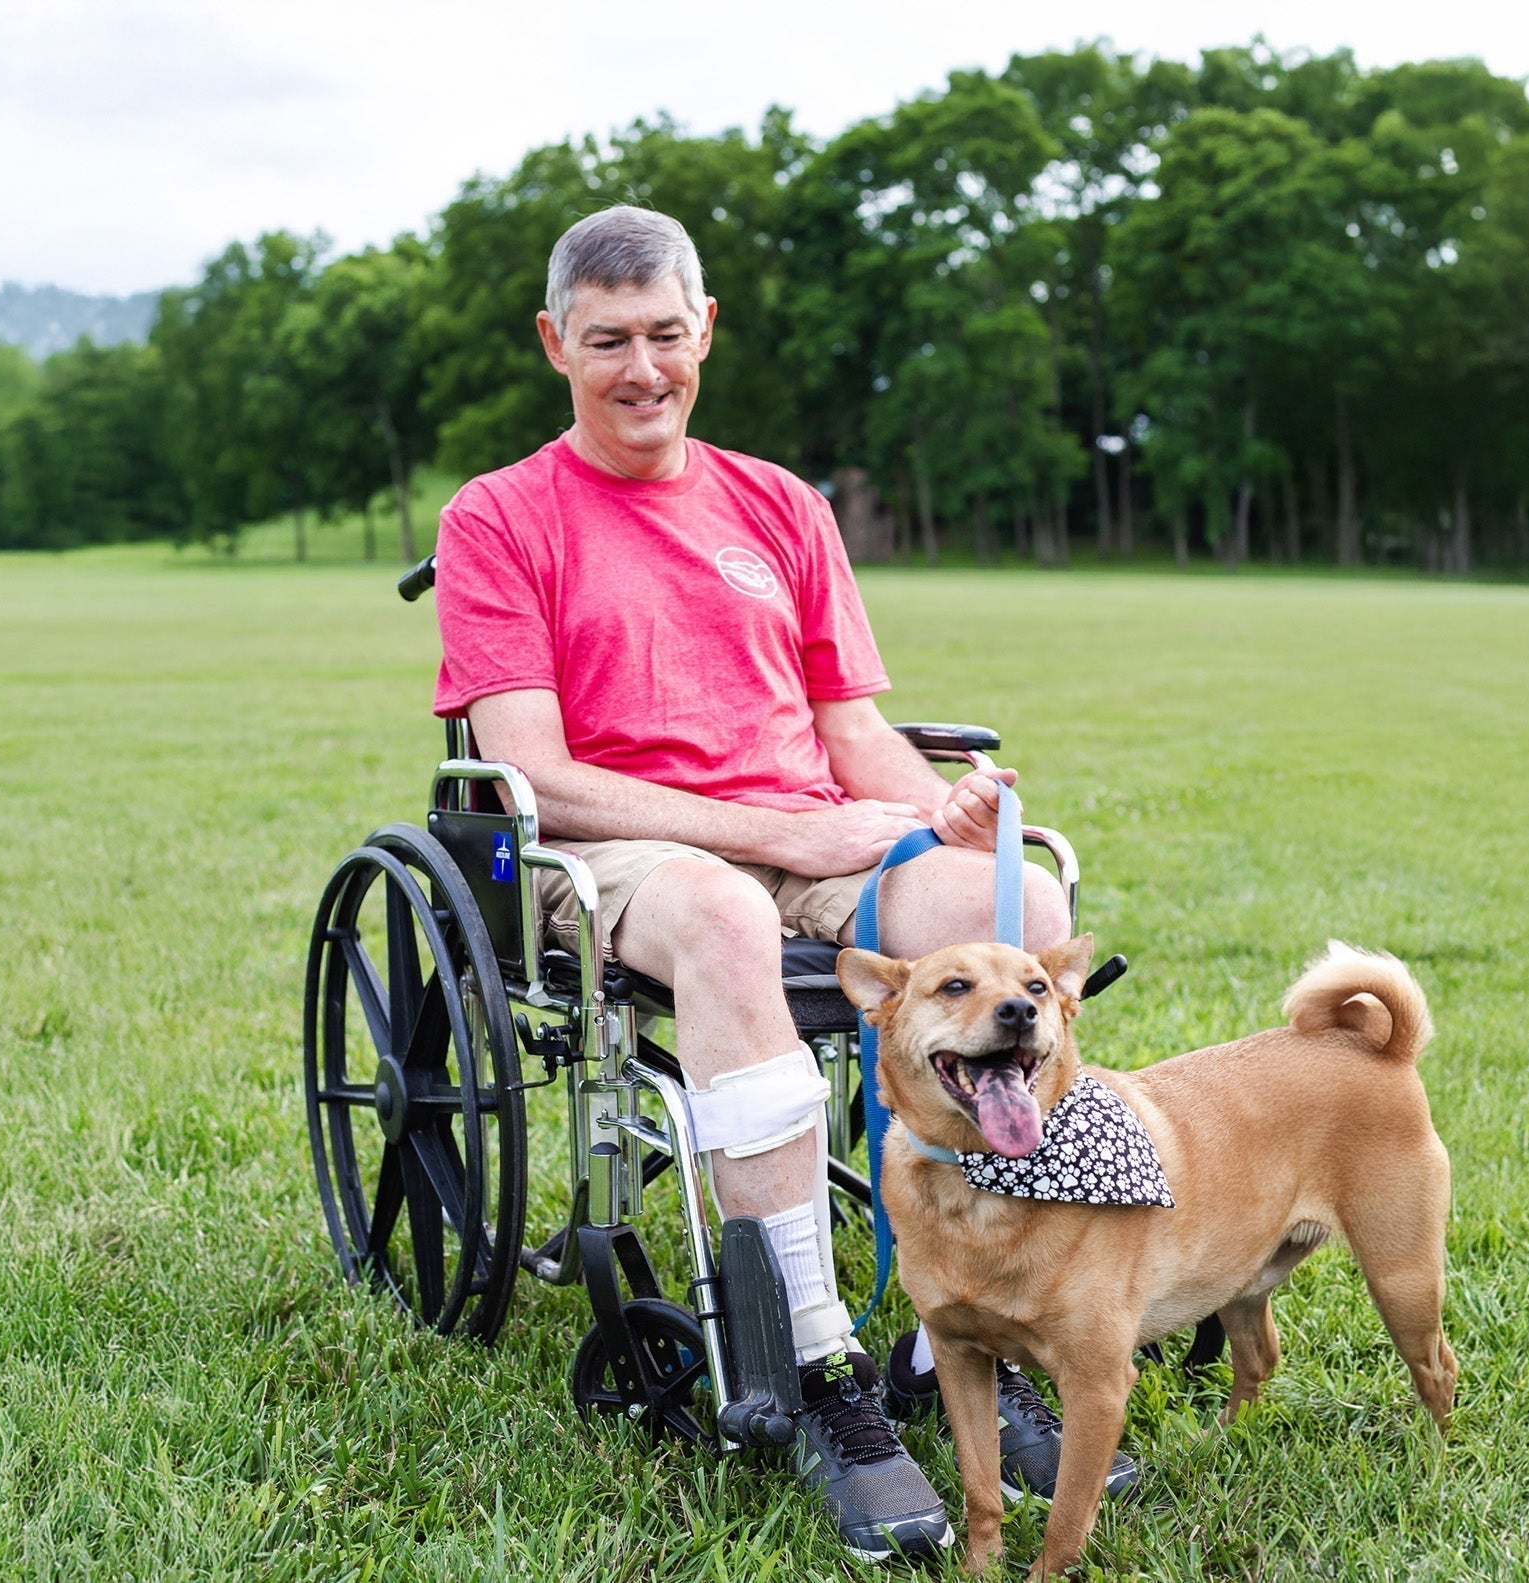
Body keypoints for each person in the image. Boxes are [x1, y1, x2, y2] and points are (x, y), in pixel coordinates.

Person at [431, 205, 1133, 1561]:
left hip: (808, 832)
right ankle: (821, 1369)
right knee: (721, 909)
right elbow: (535, 773)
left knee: (1018, 913)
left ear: (706, 331)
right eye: (608, 342)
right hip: (619, 845)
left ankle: (968, 1325)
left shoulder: (781, 504)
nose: (643, 370)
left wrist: (936, 813)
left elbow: (851, 731)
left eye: (666, 335)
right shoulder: (501, 516)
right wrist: (766, 833)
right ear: (554, 344)